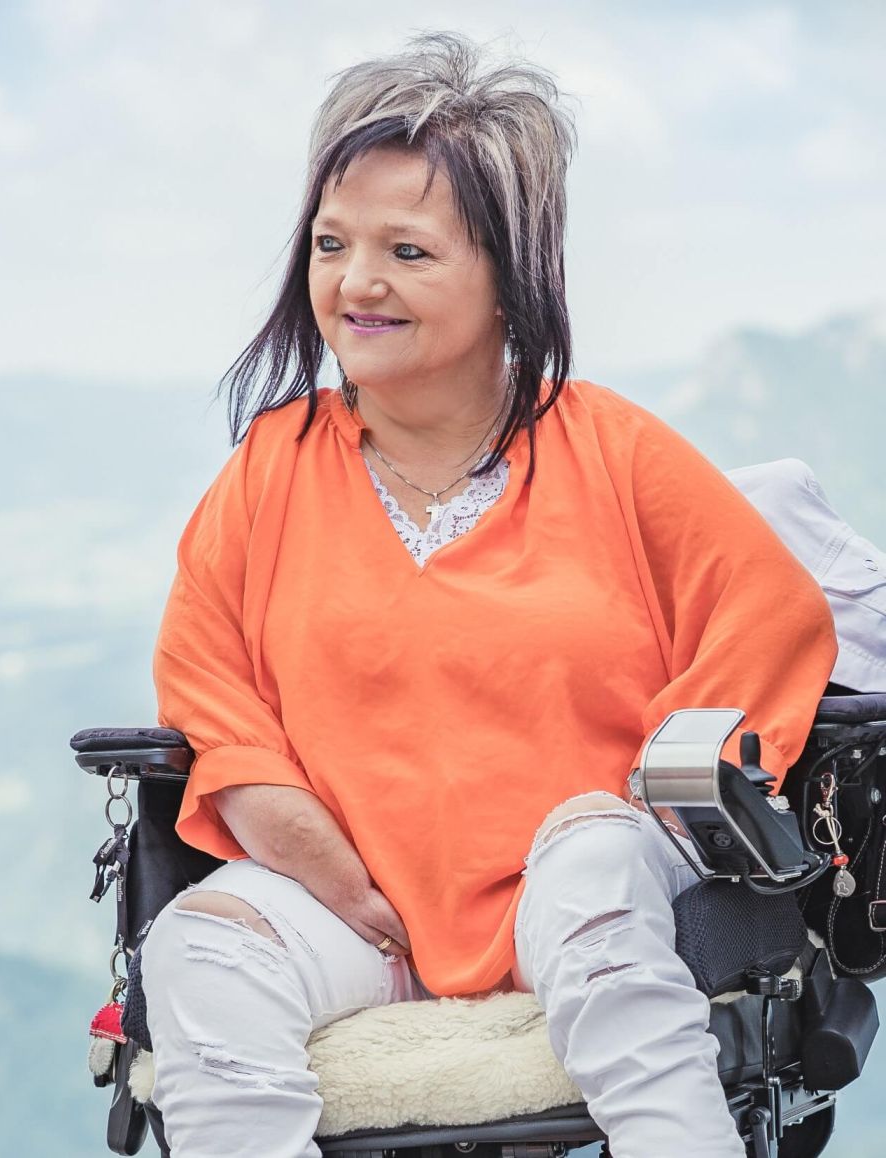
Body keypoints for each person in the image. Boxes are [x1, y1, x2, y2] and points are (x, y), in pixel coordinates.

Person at [136, 31, 839, 1158]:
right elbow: (204, 676)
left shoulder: (611, 452)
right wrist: (286, 824)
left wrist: (640, 800)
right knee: (197, 952)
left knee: (589, 874)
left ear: (507, 276)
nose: (353, 283)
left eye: (406, 252)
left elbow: (771, 620)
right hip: (353, 906)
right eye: (330, 244)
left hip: (585, 895)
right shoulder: (272, 467)